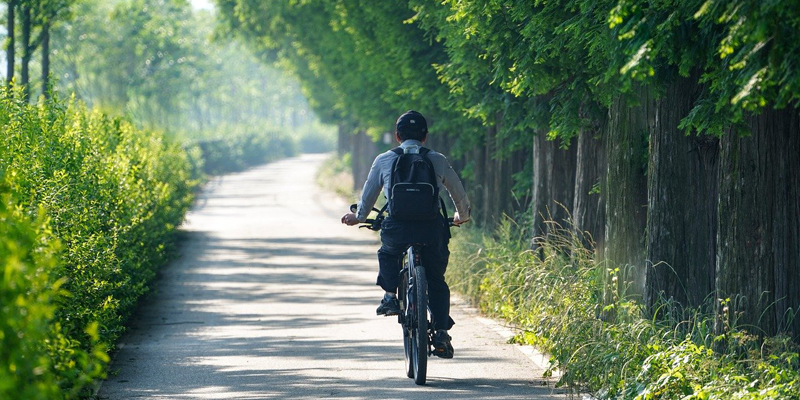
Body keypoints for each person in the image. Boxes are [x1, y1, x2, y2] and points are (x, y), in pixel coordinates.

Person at [341, 110, 471, 358]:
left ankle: (390, 296)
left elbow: (368, 195)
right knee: (436, 280)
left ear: (398, 136)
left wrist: (357, 217)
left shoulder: (384, 159)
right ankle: (441, 332)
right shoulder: (437, 159)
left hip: (398, 227)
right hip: (432, 228)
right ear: (425, 136)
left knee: (388, 252)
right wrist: (461, 216)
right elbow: (457, 191)